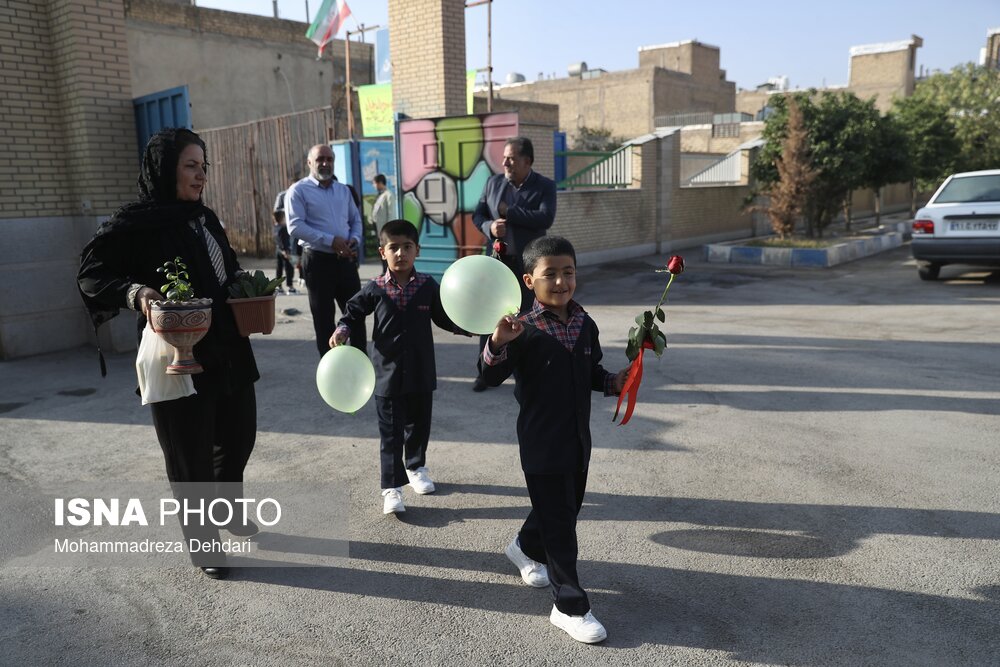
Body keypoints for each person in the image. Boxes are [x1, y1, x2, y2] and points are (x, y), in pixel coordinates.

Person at [77, 128, 260, 581]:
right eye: (190, 166)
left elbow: (228, 267)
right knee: (189, 453)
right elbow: (92, 274)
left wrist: (247, 288)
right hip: (174, 353)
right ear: (166, 170)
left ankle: (227, 508)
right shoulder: (136, 224)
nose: (200, 176)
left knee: (238, 436)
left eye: (204, 166)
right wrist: (137, 293)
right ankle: (204, 544)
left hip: (227, 347)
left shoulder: (205, 218)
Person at [479, 236, 627, 644]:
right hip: (541, 443)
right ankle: (570, 606)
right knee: (561, 526)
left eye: (568, 272)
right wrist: (496, 344)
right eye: (550, 274)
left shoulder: (585, 324)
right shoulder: (518, 329)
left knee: (565, 509)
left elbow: (590, 371)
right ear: (529, 280)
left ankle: (524, 546)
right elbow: (488, 376)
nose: (561, 281)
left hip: (579, 440)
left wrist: (614, 382)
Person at [330, 219, 468, 514]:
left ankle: (416, 466)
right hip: (386, 375)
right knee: (390, 433)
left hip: (421, 371)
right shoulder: (376, 288)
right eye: (394, 248)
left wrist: (468, 325)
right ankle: (391, 487)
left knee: (419, 425)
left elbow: (444, 316)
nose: (401, 253)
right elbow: (353, 312)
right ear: (383, 252)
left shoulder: (428, 285)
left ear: (417, 250)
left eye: (407, 247)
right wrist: (342, 329)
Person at [471, 136, 556, 392]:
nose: (505, 162)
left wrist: (511, 213)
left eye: (511, 158)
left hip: (528, 265)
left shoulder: (544, 186)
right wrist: (489, 226)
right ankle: (485, 373)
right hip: (497, 263)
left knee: (528, 317)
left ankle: (524, 371)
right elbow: (478, 215)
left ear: (527, 161)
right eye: (505, 157)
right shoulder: (493, 183)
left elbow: (546, 217)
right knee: (490, 315)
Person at [286, 144, 366, 357]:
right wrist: (331, 241)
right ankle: (331, 365)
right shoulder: (298, 190)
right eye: (320, 159)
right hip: (318, 262)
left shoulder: (344, 190)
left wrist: (353, 241)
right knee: (323, 318)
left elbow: (355, 220)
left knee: (356, 311)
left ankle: (360, 360)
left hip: (346, 260)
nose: (325, 163)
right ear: (309, 162)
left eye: (329, 159)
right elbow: (294, 226)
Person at [271, 189, 297, 294]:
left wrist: (280, 249)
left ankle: (279, 287)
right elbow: (284, 241)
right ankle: (290, 287)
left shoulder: (275, 228)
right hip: (286, 252)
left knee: (279, 269)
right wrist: (285, 251)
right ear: (282, 219)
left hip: (278, 251)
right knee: (289, 269)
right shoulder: (283, 229)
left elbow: (277, 240)